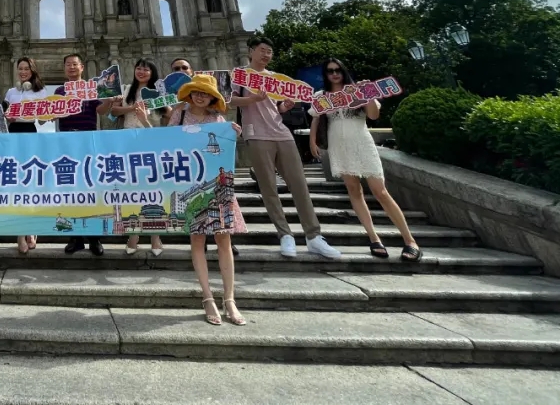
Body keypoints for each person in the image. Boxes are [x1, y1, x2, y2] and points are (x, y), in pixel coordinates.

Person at [230, 37, 341, 260]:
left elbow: (276, 107)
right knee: (269, 187)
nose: (266, 55)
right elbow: (229, 101)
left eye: (270, 51)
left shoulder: (276, 79)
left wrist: (285, 106)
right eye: (262, 50)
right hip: (256, 134)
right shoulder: (239, 75)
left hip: (281, 132)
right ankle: (285, 234)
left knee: (299, 184)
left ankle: (314, 236)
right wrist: (251, 99)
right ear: (251, 51)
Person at [310, 57, 422, 262]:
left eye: (338, 70)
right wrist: (312, 142)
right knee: (354, 190)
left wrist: (368, 92)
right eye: (330, 71)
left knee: (380, 191)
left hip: (361, 141)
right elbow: (316, 118)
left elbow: (373, 115)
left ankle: (410, 240)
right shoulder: (322, 96)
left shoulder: (357, 90)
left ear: (344, 71)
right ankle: (374, 238)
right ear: (325, 75)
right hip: (339, 145)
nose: (335, 74)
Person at [167, 74, 247, 325]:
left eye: (205, 92)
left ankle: (230, 299)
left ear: (212, 96)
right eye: (195, 91)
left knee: (224, 239)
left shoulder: (219, 120)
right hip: (190, 183)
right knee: (197, 240)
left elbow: (225, 152)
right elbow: (165, 146)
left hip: (216, 184)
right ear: (189, 94)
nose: (200, 95)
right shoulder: (178, 116)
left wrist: (234, 133)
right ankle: (208, 297)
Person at [55, 53, 116, 256]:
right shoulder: (59, 90)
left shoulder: (92, 88)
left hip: (89, 141)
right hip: (66, 142)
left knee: (92, 189)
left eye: (75, 64)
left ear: (82, 67)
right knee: (70, 190)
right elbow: (53, 112)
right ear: (64, 69)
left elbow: (100, 110)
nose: (71, 67)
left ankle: (95, 238)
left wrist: (110, 100)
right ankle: (75, 238)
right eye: (68, 65)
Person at [111, 58, 166, 256]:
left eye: (146, 69)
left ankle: (155, 236)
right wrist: (132, 109)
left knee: (153, 187)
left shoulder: (159, 92)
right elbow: (114, 110)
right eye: (139, 68)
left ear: (153, 73)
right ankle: (133, 234)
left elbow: (167, 113)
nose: (141, 72)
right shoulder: (126, 90)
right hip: (129, 141)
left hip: (152, 139)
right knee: (133, 188)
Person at [4, 57, 54, 254]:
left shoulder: (40, 91)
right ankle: (19, 233)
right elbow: (4, 114)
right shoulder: (11, 92)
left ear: (32, 71)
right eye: (20, 68)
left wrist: (46, 113)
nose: (23, 71)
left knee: (31, 183)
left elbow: (42, 121)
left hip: (31, 133)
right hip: (14, 133)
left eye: (26, 68)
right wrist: (8, 115)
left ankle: (31, 227)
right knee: (17, 183)